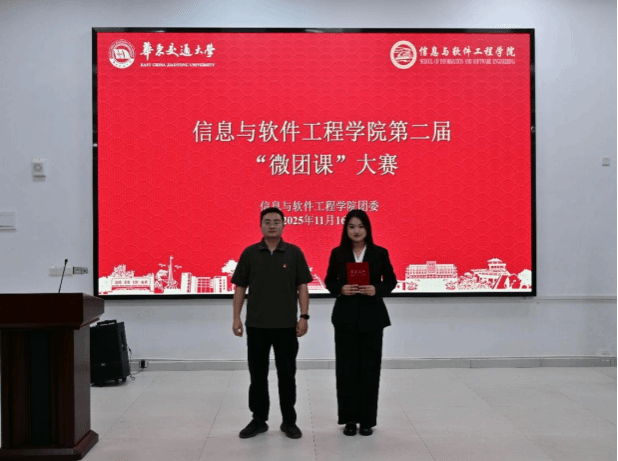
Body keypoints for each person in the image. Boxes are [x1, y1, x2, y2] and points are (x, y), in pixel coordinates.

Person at [232, 207, 313, 439]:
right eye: (267, 221)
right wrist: (236, 317)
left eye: (277, 221)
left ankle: (289, 421)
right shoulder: (250, 253)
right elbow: (240, 287)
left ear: (284, 225)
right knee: (257, 376)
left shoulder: (294, 253)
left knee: (287, 376)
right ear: (260, 226)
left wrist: (304, 316)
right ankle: (259, 420)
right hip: (257, 325)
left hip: (286, 326)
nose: (272, 225)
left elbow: (302, 287)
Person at [324, 209, 397, 436]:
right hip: (345, 318)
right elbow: (329, 281)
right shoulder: (338, 253)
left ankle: (367, 420)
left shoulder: (380, 253)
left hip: (372, 318)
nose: (356, 231)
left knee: (369, 370)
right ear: (346, 229)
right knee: (346, 370)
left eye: (360, 226)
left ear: (367, 229)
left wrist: (376, 289)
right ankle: (349, 419)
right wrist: (340, 288)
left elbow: (391, 281)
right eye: (351, 226)